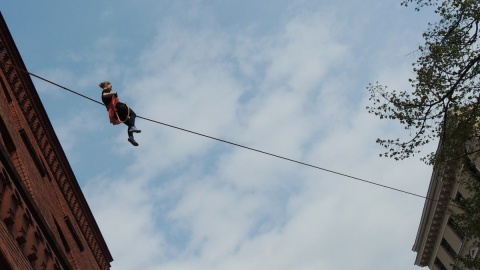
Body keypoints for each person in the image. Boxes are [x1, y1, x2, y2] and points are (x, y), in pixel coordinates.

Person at [99, 81, 141, 146]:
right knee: (133, 114)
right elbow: (104, 95)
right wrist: (114, 93)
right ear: (106, 85)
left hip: (116, 113)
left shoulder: (107, 93)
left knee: (130, 123)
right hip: (119, 107)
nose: (111, 88)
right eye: (111, 86)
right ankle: (132, 127)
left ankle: (131, 137)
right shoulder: (105, 91)